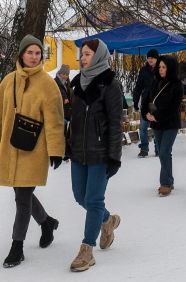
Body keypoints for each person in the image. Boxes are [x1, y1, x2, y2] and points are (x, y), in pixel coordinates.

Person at [0, 35, 65, 268]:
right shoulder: (8, 82)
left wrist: (56, 151)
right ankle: (46, 222)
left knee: (22, 198)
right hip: (10, 147)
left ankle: (16, 247)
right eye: (30, 52)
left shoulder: (47, 84)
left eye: (38, 53)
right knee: (22, 194)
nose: (34, 57)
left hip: (34, 150)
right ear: (21, 54)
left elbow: (55, 121)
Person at [67, 38, 124, 272]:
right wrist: (68, 145)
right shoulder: (77, 83)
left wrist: (115, 157)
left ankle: (87, 249)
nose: (83, 58)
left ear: (99, 55)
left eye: (88, 54)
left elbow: (115, 122)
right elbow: (74, 119)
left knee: (93, 200)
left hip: (101, 154)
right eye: (82, 54)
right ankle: (107, 220)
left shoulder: (111, 84)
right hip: (79, 151)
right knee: (80, 197)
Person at [141, 56, 183, 197]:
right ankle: (169, 180)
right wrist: (146, 113)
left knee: (164, 151)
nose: (161, 69)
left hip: (170, 123)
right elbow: (147, 100)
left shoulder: (177, 84)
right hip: (157, 124)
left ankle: (165, 183)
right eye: (159, 67)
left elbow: (172, 106)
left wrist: (157, 116)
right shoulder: (155, 83)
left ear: (170, 68)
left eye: (164, 67)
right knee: (160, 150)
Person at [132, 49, 160, 158]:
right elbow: (138, 86)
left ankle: (158, 148)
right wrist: (135, 100)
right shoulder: (143, 70)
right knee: (143, 127)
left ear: (156, 59)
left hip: (157, 104)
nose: (150, 60)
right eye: (148, 58)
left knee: (156, 127)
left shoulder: (161, 70)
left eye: (152, 58)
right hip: (145, 103)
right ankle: (144, 148)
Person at [56, 65, 72, 155]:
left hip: (66, 112)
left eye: (66, 74)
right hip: (59, 112)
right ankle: (59, 152)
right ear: (60, 73)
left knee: (65, 134)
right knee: (60, 134)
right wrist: (63, 100)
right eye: (63, 74)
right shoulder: (56, 83)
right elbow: (53, 97)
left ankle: (64, 152)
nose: (65, 76)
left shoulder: (67, 84)